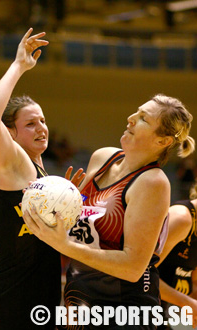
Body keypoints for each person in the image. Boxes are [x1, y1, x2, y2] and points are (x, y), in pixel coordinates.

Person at [23, 94, 195, 329]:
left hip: (124, 310)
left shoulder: (153, 182)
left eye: (143, 118)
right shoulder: (103, 157)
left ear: (163, 141)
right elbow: (80, 232)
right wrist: (57, 205)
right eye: (137, 111)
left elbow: (133, 267)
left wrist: (66, 246)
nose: (131, 119)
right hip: (79, 299)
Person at [0, 28, 84, 330]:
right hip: (10, 303)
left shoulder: (42, 179)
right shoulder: (15, 163)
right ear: (10, 133)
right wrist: (19, 65)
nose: (41, 127)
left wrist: (75, 203)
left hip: (40, 306)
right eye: (30, 123)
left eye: (43, 120)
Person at [157, 181, 197, 329]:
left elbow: (193, 284)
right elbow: (140, 274)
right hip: (127, 308)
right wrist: (187, 303)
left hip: (157, 314)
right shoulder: (181, 218)